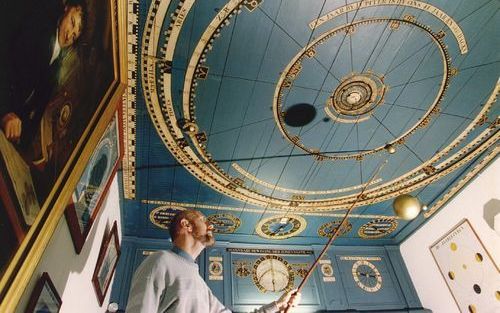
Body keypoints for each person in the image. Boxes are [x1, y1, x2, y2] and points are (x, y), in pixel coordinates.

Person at [126, 210, 302, 313]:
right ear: (186, 225)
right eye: (203, 220)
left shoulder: (201, 286)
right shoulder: (160, 260)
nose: (210, 226)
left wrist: (278, 305)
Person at [0, 0, 85, 150]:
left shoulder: (56, 69)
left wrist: (22, 139)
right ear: (66, 8)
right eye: (72, 23)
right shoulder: (38, 25)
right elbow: (5, 61)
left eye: (74, 36)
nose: (69, 35)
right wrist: (5, 111)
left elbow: (36, 110)